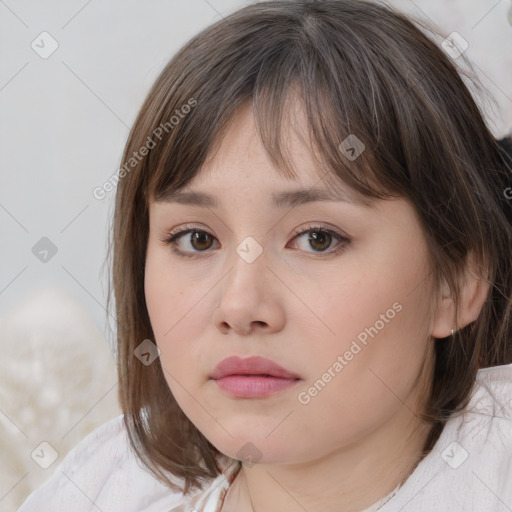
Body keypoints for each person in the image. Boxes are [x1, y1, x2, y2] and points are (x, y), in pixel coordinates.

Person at [18, 1, 512, 511]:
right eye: (196, 239)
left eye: (318, 238)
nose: (239, 306)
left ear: (457, 281)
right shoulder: (99, 490)